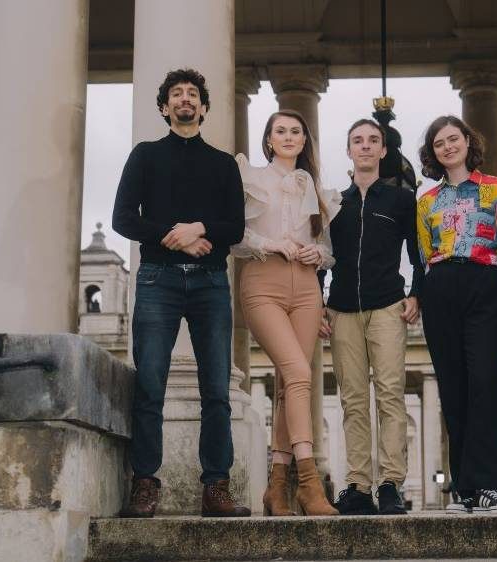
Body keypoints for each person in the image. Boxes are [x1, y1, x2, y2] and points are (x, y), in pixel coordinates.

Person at [112, 68, 250, 518]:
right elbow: (122, 219)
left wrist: (201, 228)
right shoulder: (145, 156)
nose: (185, 99)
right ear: (164, 107)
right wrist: (175, 234)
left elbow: (235, 227)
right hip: (158, 280)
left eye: (193, 94)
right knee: (150, 385)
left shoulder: (223, 164)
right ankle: (145, 482)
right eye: (177, 94)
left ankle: (216, 486)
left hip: (210, 283)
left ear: (204, 108)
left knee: (217, 390)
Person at [233, 109, 342, 517]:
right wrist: (273, 242)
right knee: (299, 374)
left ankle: (276, 488)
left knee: (287, 384)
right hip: (263, 283)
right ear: (268, 140)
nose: (289, 136)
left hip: (307, 288)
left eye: (296, 131)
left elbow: (328, 249)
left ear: (304, 140)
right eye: (281, 131)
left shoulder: (315, 187)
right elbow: (235, 236)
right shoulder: (250, 178)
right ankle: (309, 485)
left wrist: (320, 253)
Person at [415, 115, 497, 515]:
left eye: (453, 139)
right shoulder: (426, 202)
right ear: (433, 153)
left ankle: (492, 486)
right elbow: (426, 255)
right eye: (438, 142)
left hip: (487, 284)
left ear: (466, 141)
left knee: (483, 383)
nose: (447, 147)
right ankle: (463, 489)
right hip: (441, 288)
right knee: (453, 388)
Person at [320, 119, 424, 515]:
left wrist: (416, 294)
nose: (365, 146)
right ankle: (359, 486)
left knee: (390, 396)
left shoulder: (401, 200)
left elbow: (418, 256)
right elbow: (322, 257)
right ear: (348, 151)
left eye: (372, 141)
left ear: (383, 151)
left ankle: (391, 484)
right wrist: (318, 301)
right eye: (357, 141)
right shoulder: (334, 202)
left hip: (387, 306)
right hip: (343, 309)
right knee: (353, 401)